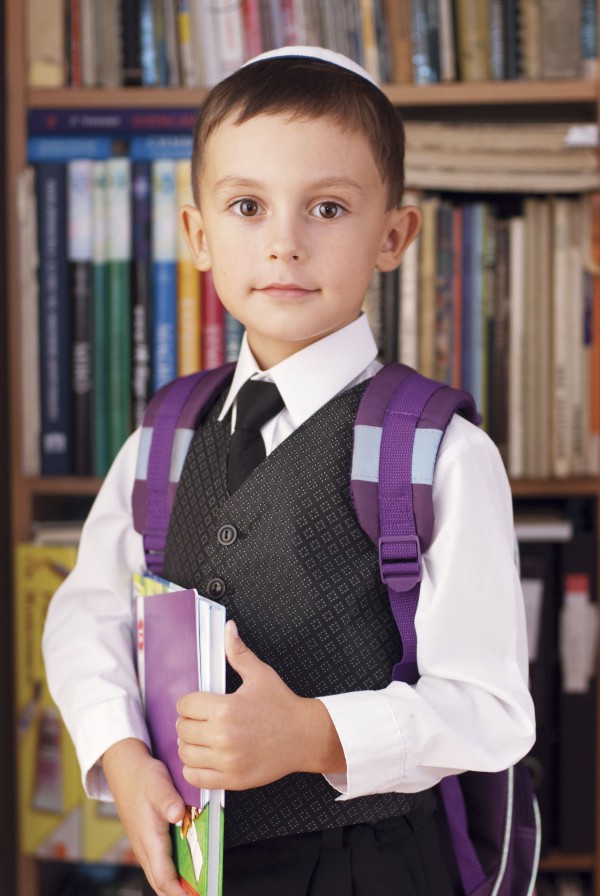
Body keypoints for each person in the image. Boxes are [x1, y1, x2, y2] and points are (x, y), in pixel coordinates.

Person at [43, 46, 535, 896]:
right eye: (246, 205)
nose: (284, 243)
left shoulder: (443, 454)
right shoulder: (163, 437)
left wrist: (313, 735)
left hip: (375, 869)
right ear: (198, 235)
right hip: (201, 866)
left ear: (394, 235)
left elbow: (489, 711)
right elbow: (86, 612)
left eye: (329, 208)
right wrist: (118, 754)